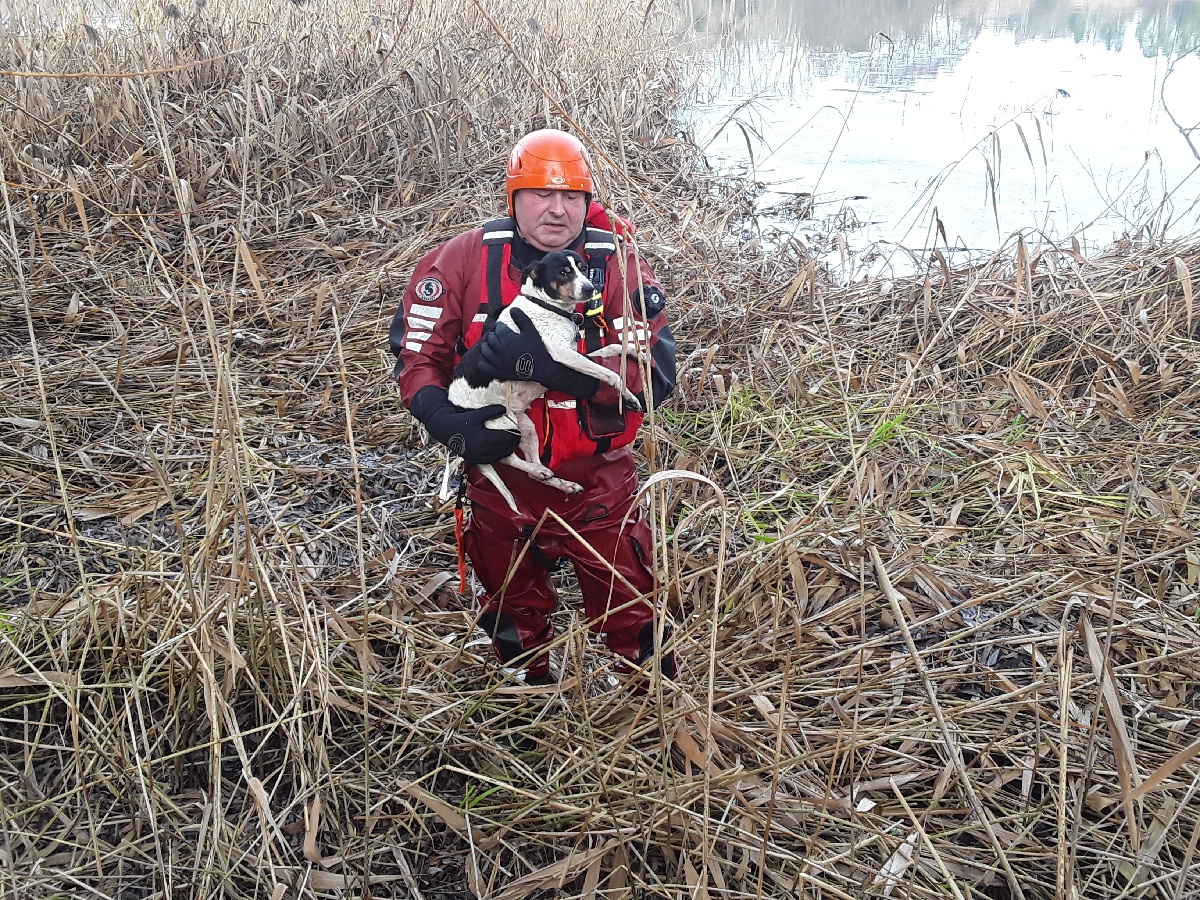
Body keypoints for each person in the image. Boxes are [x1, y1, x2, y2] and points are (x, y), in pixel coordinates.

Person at [389, 128, 677, 689]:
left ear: (587, 202)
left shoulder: (616, 263)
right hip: (500, 480)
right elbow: (416, 355)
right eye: (541, 194)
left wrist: (547, 368)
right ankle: (529, 706)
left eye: (571, 196)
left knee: (634, 615)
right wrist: (449, 425)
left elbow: (654, 376)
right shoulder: (464, 259)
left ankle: (651, 711)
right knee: (511, 617)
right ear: (513, 197)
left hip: (599, 484)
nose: (557, 209)